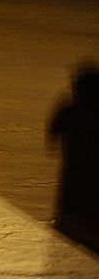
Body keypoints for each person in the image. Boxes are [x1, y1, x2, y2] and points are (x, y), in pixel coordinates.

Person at [47, 62, 99, 254]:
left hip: (73, 172)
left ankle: (70, 229)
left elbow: (52, 134)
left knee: (72, 199)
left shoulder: (68, 111)